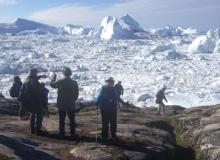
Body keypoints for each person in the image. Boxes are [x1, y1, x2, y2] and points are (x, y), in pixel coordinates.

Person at [50, 67, 79, 138]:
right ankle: (72, 133)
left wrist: (53, 78)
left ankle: (62, 133)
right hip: (71, 104)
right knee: (72, 119)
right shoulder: (74, 83)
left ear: (64, 73)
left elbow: (52, 85)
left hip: (61, 104)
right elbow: (76, 94)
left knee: (62, 119)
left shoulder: (60, 81)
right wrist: (73, 100)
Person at [19, 68, 46, 135]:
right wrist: (41, 86)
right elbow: (36, 89)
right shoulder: (32, 80)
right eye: (36, 73)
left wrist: (40, 76)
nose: (37, 73)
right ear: (34, 73)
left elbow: (33, 80)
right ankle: (37, 130)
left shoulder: (26, 80)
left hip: (28, 102)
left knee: (33, 114)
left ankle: (32, 130)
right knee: (39, 114)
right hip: (35, 101)